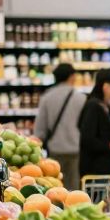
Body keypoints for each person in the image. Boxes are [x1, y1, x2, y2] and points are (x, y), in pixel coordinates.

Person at [34, 62, 84, 190]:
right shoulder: (81, 98)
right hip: (75, 151)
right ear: (71, 77)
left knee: (54, 188)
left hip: (55, 151)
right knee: (73, 189)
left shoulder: (47, 97)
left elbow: (40, 130)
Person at [78, 68, 110, 179]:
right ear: (106, 86)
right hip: (95, 173)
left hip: (106, 172)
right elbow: (87, 139)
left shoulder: (106, 106)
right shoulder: (93, 106)